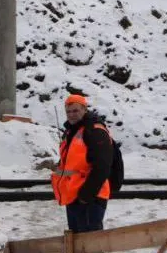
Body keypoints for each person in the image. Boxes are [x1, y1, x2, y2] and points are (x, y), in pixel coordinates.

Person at [50, 93, 115, 233]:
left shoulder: (95, 131)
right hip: (73, 196)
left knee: (90, 241)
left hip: (90, 198)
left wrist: (86, 195)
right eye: (68, 111)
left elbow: (102, 167)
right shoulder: (71, 132)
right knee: (76, 241)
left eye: (75, 110)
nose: (71, 115)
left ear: (85, 109)